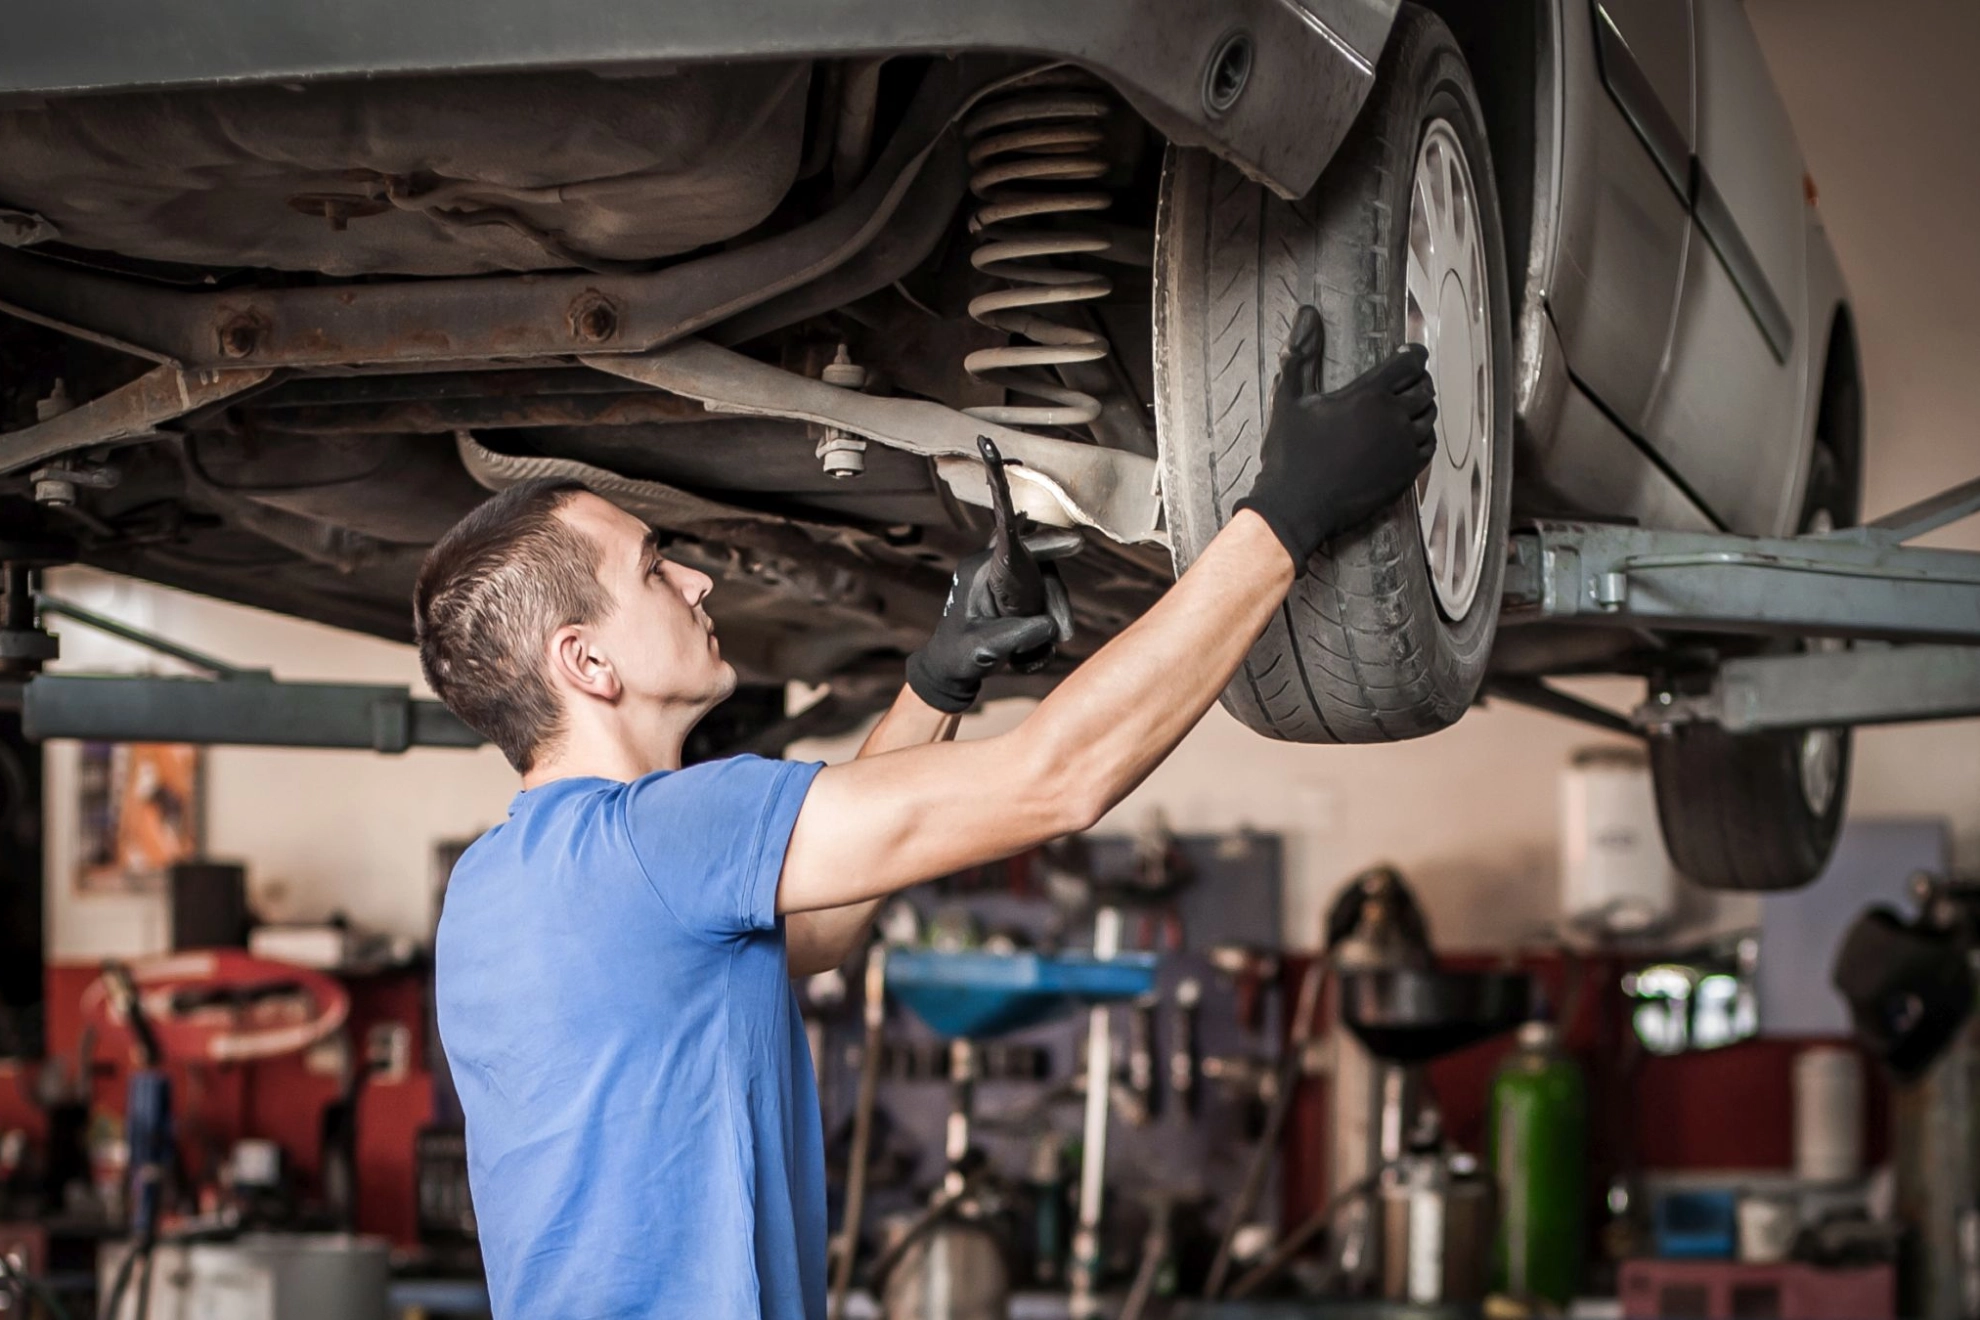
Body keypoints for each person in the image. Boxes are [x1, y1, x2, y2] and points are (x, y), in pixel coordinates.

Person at [414, 306, 1436, 1318]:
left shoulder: (493, 887)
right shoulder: (668, 833)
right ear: (586, 663)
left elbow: (803, 937)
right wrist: (1286, 517)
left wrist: (935, 686)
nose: (696, 576)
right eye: (651, 569)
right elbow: (1059, 777)